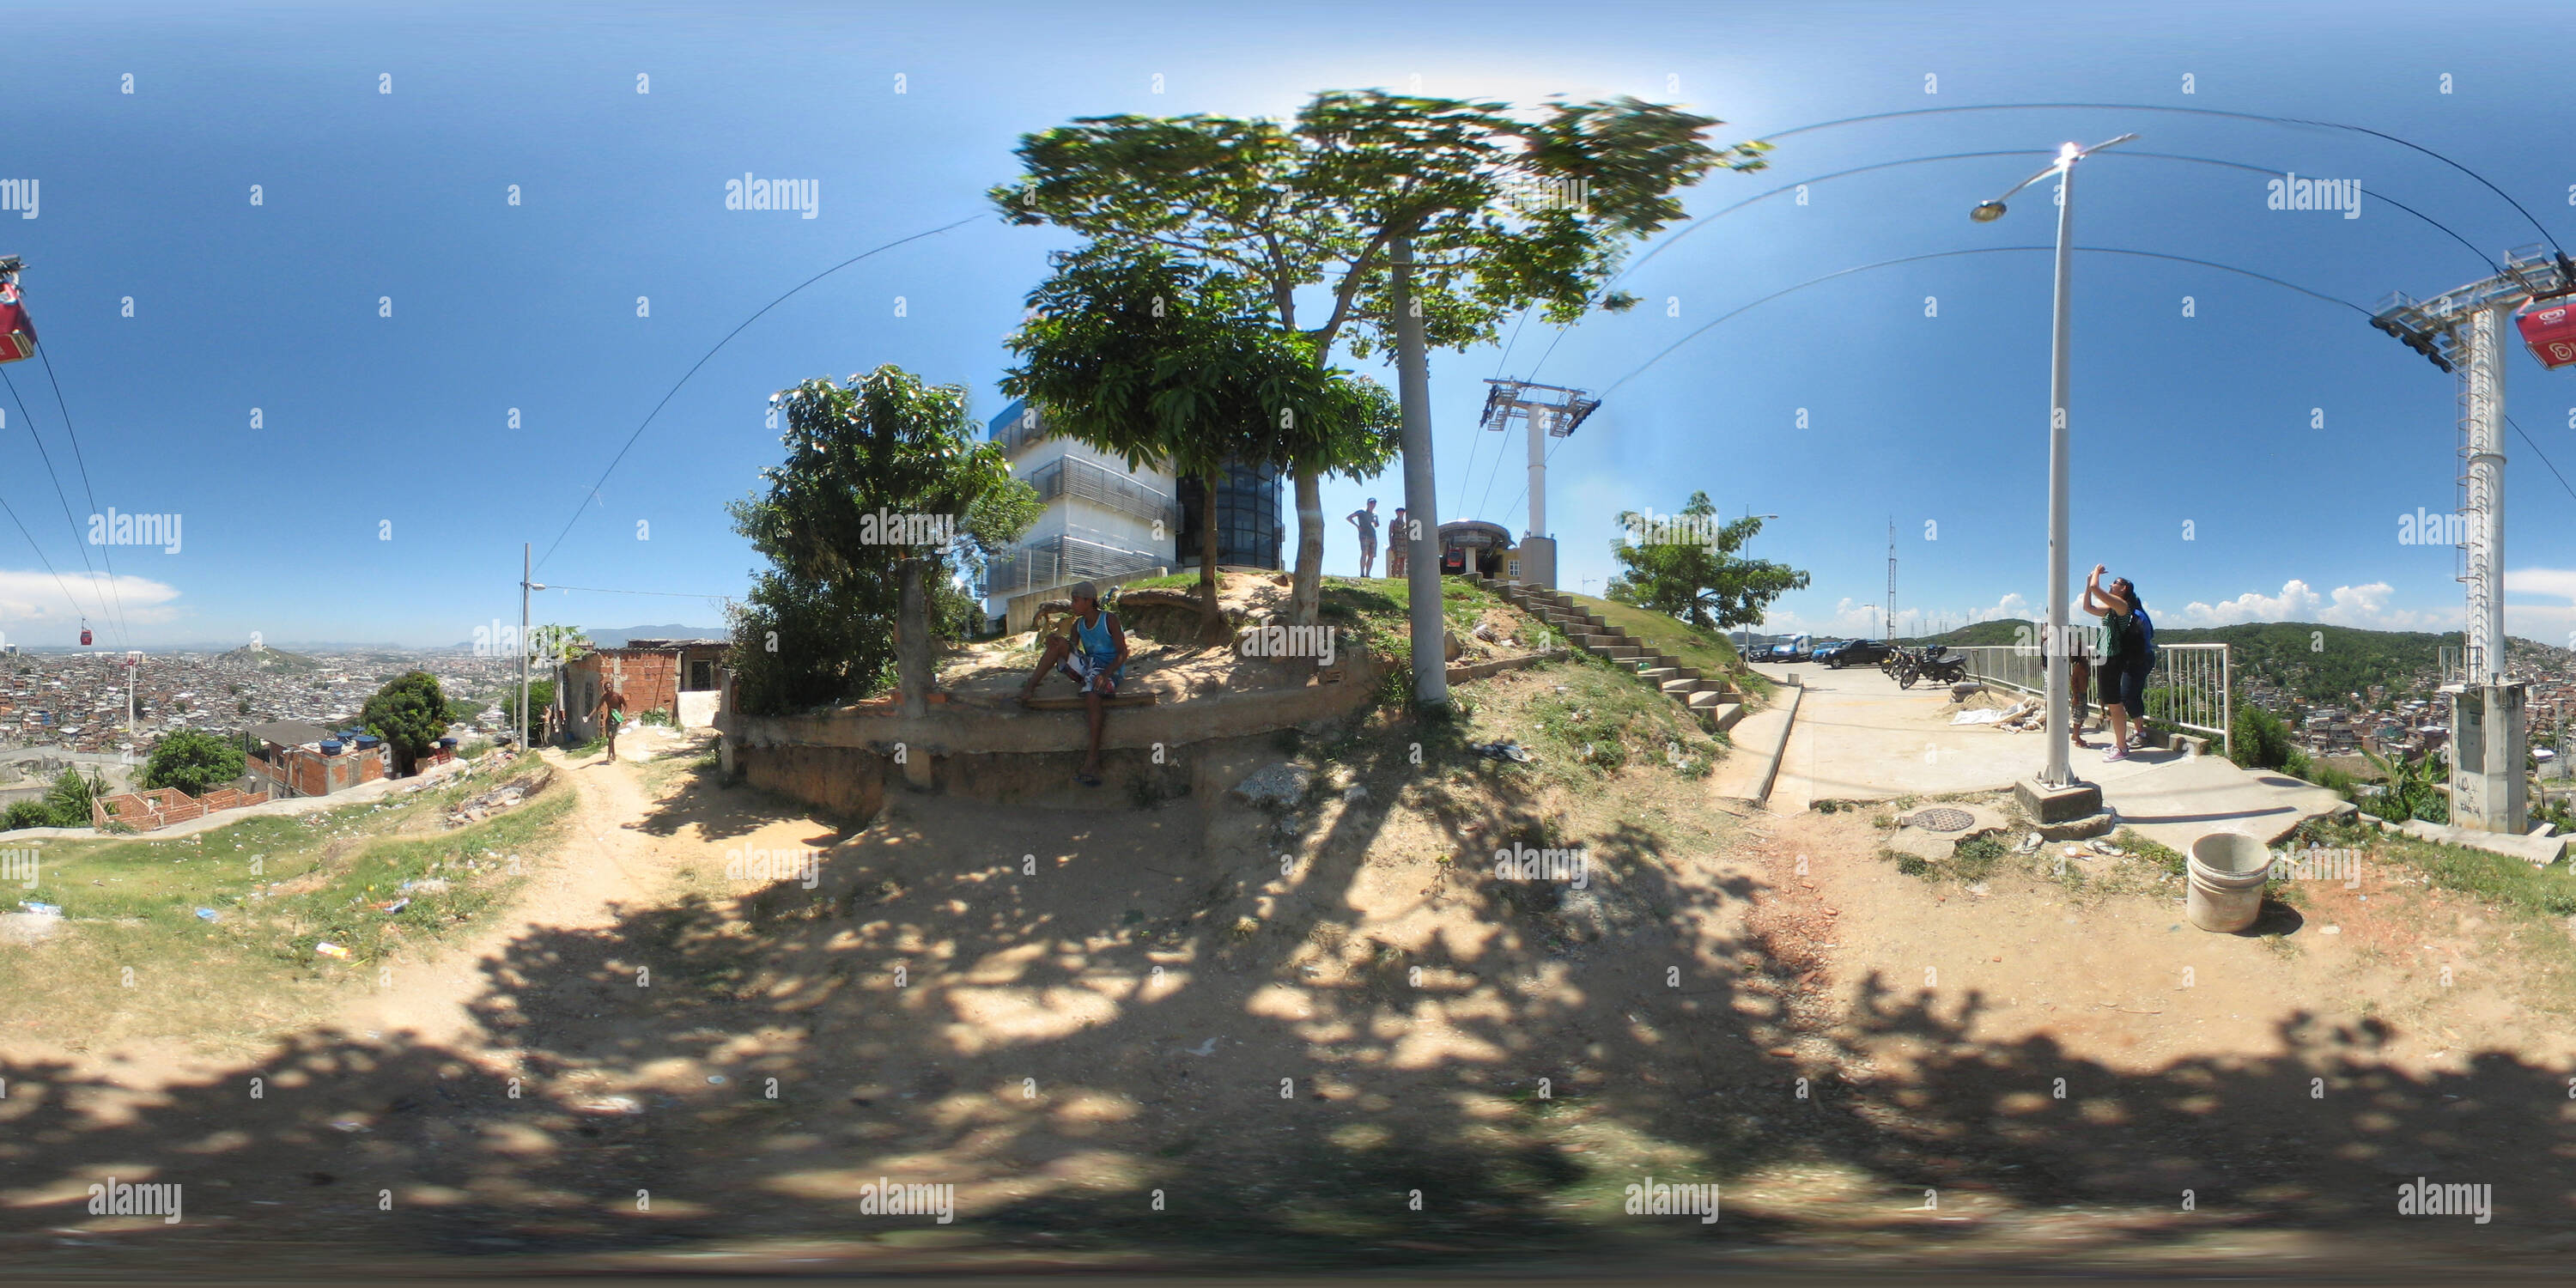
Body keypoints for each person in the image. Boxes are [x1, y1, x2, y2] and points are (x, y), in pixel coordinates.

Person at [1018, 581, 1130, 787]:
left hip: (1109, 669)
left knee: (1092, 695)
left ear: (1089, 601)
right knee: (1058, 645)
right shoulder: (1078, 625)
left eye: (1076, 600)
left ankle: (1092, 760)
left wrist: (1106, 674)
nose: (1072, 604)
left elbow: (1123, 652)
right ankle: (1030, 686)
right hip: (1090, 666)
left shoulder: (1109, 620)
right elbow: (1072, 648)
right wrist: (1056, 641)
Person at [2081, 564, 2154, 762]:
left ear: (2124, 589)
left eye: (2116, 583)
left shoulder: (2123, 607)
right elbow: (2087, 607)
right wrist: (2088, 584)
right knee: (2113, 703)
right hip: (2107, 658)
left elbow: (2097, 590)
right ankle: (2120, 743)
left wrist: (2096, 573)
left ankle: (2122, 748)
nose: (2112, 584)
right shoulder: (2112, 609)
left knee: (2115, 704)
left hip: (2113, 659)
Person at [1347, 498, 1380, 578]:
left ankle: (1368, 574)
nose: (1372, 504)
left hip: (1373, 535)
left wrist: (1375, 521)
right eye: (1371, 503)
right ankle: (1362, 573)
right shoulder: (1361, 511)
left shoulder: (1375, 514)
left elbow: (1377, 525)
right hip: (1364, 535)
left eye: (1374, 503)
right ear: (1367, 503)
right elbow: (1349, 518)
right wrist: (1357, 526)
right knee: (1364, 553)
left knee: (1371, 555)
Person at [1387, 506, 1409, 579]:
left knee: (1403, 559)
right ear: (1396, 513)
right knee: (1397, 558)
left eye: (1402, 511)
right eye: (1399, 511)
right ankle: (1393, 575)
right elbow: (1390, 533)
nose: (1400, 513)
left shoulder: (1405, 523)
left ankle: (1400, 576)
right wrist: (1391, 544)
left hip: (1404, 541)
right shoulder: (1393, 521)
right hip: (1396, 540)